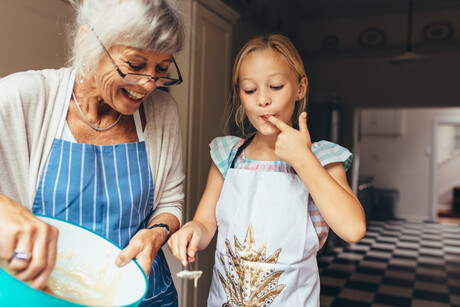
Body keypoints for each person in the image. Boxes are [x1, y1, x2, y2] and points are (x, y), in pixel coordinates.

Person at [0, 0, 186, 305]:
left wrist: (157, 232)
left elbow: (170, 200)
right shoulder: (23, 98)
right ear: (88, 42)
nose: (149, 84)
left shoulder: (163, 112)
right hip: (48, 295)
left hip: (146, 296)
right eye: (136, 65)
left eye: (162, 69)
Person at [168, 33, 366, 306]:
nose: (263, 100)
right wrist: (192, 231)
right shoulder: (228, 156)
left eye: (275, 86)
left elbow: (353, 229)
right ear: (240, 94)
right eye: (250, 90)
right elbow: (204, 224)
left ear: (300, 87)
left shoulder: (322, 158)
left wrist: (303, 160)